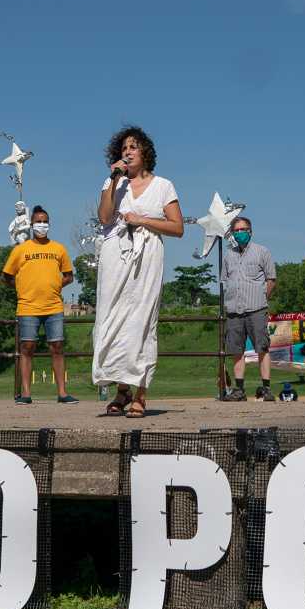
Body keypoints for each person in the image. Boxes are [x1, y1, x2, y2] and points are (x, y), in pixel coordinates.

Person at [93, 125, 184, 418]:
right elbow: (104, 217)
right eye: (123, 149)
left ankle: (140, 393)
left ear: (145, 151)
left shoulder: (163, 186)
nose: (127, 152)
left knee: (141, 321)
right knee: (113, 319)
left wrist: (142, 219)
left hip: (147, 257)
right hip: (115, 256)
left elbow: (177, 227)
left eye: (133, 147)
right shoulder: (113, 184)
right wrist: (112, 178)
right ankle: (122, 389)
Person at [2, 204, 79, 405]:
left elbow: (69, 276)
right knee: (27, 347)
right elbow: (6, 276)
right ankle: (26, 394)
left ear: (49, 224)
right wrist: (21, 288)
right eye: (38, 222)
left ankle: (62, 393)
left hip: (53, 306)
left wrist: (55, 285)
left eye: (45, 222)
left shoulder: (59, 248)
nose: (42, 225)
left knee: (57, 346)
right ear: (31, 224)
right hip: (28, 306)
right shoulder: (21, 250)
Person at [219, 216, 277, 402]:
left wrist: (261, 298)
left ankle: (266, 388)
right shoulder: (228, 256)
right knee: (236, 350)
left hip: (256, 308)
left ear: (250, 231)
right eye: (236, 230)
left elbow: (271, 279)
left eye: (243, 229)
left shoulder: (262, 252)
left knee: (262, 348)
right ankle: (239, 390)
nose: (239, 233)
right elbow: (224, 280)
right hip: (234, 310)